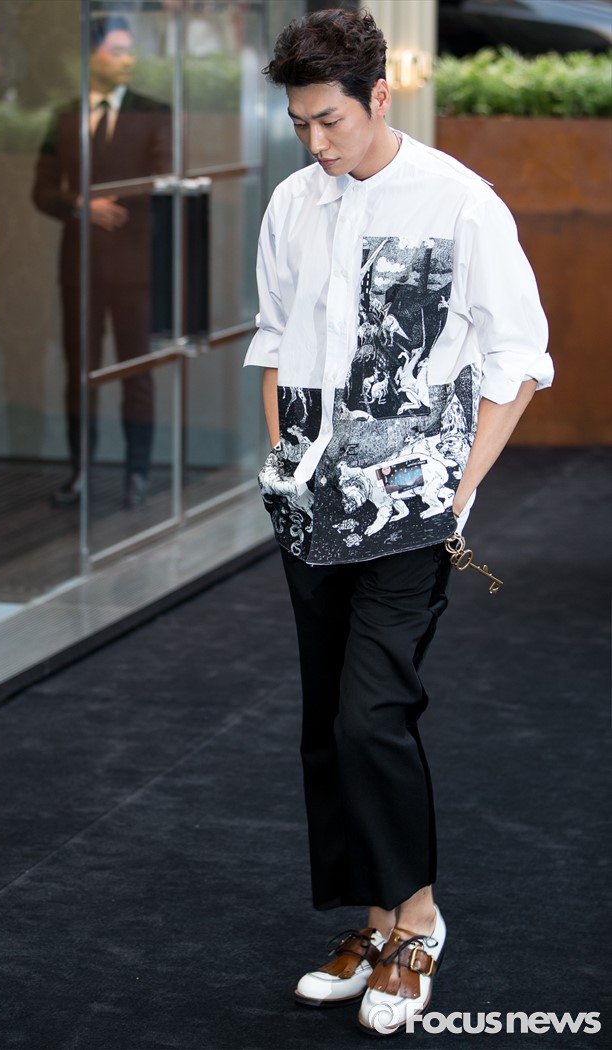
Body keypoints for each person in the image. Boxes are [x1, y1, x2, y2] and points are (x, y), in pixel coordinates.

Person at [244, 8, 553, 1037]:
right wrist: (284, 462)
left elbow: (520, 359)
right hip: (308, 502)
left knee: (373, 714)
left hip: (413, 512)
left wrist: (457, 491)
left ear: (380, 96)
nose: (316, 142)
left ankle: (416, 922)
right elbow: (275, 339)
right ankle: (372, 923)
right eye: (300, 124)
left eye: (330, 120)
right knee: (326, 723)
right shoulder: (292, 201)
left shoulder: (460, 203)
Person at [33, 14, 171, 508]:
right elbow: (41, 190)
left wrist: (111, 200)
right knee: (80, 376)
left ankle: (138, 473)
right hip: (81, 267)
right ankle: (80, 474)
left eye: (130, 50)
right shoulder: (65, 115)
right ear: (91, 56)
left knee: (137, 376)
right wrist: (80, 205)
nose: (127, 58)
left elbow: (165, 180)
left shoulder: (154, 112)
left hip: (135, 267)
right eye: (116, 50)